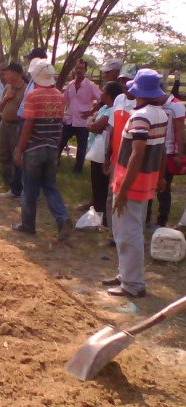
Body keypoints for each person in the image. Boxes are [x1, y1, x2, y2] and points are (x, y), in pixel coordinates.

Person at [102, 69, 168, 298]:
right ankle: (125, 274)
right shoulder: (160, 114)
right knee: (130, 229)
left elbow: (137, 154)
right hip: (145, 180)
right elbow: (160, 149)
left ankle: (133, 284)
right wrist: (159, 176)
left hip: (131, 182)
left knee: (127, 232)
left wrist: (123, 190)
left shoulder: (140, 117)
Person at [12, 59, 73, 240]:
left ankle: (28, 225)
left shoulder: (33, 96)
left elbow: (28, 125)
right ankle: (63, 219)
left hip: (34, 149)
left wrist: (19, 150)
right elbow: (60, 125)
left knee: (30, 188)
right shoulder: (59, 96)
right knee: (50, 186)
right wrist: (57, 147)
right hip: (51, 148)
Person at [101, 64, 138, 246]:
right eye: (122, 80)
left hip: (132, 159)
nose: (125, 84)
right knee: (112, 196)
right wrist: (108, 156)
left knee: (130, 198)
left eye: (129, 80)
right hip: (117, 156)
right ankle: (112, 234)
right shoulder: (119, 100)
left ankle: (127, 235)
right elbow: (113, 129)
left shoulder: (140, 104)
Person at [10, 47, 49, 198]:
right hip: (24, 120)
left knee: (26, 157)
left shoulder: (42, 82)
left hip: (30, 122)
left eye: (30, 59)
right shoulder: (33, 80)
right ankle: (20, 189)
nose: (27, 62)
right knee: (22, 157)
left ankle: (29, 192)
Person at [145, 91, 185, 228]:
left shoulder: (176, 106)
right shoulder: (154, 105)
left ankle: (162, 220)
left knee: (163, 187)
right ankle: (146, 218)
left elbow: (180, 130)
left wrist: (179, 154)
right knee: (149, 184)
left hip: (168, 153)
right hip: (154, 149)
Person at [86, 81, 122, 227]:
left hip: (104, 150)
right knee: (96, 181)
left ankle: (103, 217)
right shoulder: (106, 108)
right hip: (97, 148)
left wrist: (90, 122)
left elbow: (95, 126)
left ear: (109, 94)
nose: (100, 94)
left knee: (101, 182)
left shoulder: (112, 111)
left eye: (103, 91)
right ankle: (98, 212)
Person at [58, 59, 101, 173]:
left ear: (85, 70)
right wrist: (62, 114)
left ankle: (78, 169)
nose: (79, 70)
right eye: (77, 68)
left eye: (81, 68)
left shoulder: (90, 85)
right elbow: (63, 100)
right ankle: (54, 163)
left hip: (82, 121)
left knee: (81, 147)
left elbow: (102, 99)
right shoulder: (71, 85)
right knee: (60, 141)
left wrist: (91, 112)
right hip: (70, 119)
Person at [0, 62, 26, 193]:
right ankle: (7, 182)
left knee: (16, 155)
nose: (5, 75)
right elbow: (1, 107)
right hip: (4, 124)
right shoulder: (7, 88)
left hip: (17, 126)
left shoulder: (26, 89)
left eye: (8, 72)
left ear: (17, 74)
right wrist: (7, 98)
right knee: (4, 153)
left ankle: (17, 185)